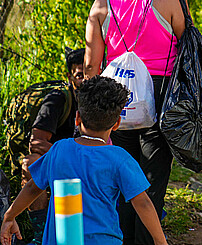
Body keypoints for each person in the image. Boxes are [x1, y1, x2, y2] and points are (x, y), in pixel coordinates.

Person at [84, 0, 191, 244]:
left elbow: (91, 67)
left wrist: (88, 111)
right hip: (160, 98)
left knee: (119, 180)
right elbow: (186, 43)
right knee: (151, 182)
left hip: (116, 100)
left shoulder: (101, 6)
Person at [0, 76, 167, 245]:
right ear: (116, 123)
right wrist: (160, 241)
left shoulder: (59, 149)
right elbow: (143, 203)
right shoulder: (119, 158)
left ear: (77, 118)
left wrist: (9, 216)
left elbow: (32, 187)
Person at [21, 48, 85, 244]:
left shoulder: (99, 96)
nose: (86, 81)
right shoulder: (58, 100)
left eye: (89, 74)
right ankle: (41, 234)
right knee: (31, 165)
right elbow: (37, 142)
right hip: (59, 159)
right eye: (80, 75)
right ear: (69, 76)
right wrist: (67, 155)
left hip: (88, 158)